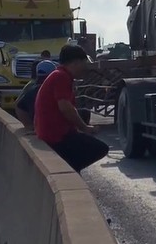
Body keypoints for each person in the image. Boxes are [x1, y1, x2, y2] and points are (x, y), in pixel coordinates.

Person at [33, 44, 108, 173]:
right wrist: (85, 128)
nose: (85, 68)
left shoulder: (59, 75)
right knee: (100, 149)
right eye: (84, 63)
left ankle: (70, 169)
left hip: (52, 131)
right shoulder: (61, 77)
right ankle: (70, 170)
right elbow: (66, 108)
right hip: (56, 136)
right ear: (75, 62)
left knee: (83, 114)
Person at [15, 59, 57, 131]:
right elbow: (19, 106)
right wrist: (29, 125)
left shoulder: (34, 86)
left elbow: (19, 106)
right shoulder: (34, 88)